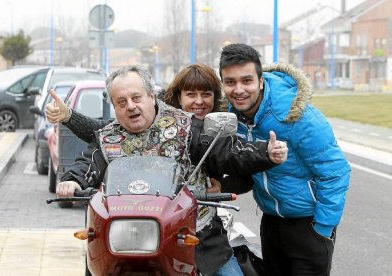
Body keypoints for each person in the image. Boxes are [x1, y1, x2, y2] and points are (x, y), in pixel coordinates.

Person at [48, 65, 288, 276]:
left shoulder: (186, 126)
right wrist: (72, 181)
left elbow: (227, 150)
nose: (130, 106)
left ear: (151, 96)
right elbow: (87, 164)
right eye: (121, 102)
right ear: (114, 106)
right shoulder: (107, 137)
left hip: (192, 234)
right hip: (125, 236)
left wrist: (267, 152)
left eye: (136, 97)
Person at [219, 43, 351, 276]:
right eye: (230, 82)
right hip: (271, 222)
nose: (239, 89)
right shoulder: (232, 118)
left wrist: (322, 228)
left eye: (246, 80)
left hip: (308, 224)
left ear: (260, 81)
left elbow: (335, 171)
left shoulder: (297, 114)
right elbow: (247, 169)